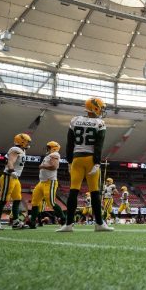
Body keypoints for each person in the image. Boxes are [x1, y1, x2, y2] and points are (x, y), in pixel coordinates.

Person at [58, 97, 113, 232]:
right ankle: (99, 224)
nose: (102, 110)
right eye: (100, 107)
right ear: (95, 108)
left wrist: (69, 161)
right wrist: (97, 163)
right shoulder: (100, 123)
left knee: (73, 191)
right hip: (90, 160)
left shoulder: (75, 120)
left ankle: (68, 224)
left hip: (77, 159)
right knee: (95, 193)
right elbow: (99, 146)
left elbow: (69, 143)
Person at [0, 133, 31, 230]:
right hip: (9, 176)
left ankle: (15, 222)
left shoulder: (22, 150)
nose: (28, 144)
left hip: (15, 178)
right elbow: (10, 161)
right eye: (27, 142)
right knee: (4, 200)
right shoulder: (16, 149)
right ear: (21, 141)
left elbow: (6, 160)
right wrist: (12, 170)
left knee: (17, 199)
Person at [29, 141, 65, 229]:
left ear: (53, 148)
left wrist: (43, 166)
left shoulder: (55, 154)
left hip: (50, 181)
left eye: (48, 147)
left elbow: (55, 166)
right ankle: (32, 222)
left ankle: (64, 220)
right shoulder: (49, 156)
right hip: (41, 182)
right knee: (35, 202)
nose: (47, 149)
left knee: (51, 203)